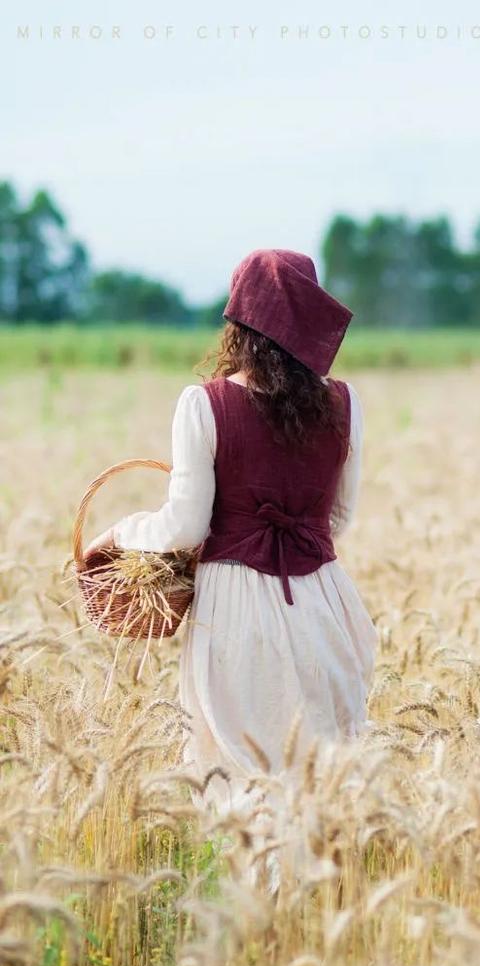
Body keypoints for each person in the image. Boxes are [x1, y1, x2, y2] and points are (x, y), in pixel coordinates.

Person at [85, 249, 379, 817]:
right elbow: (340, 517)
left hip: (236, 612)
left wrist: (121, 533)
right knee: (318, 787)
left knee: (245, 789)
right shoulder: (346, 403)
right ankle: (315, 903)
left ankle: (255, 902)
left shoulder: (204, 405)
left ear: (240, 324)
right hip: (326, 604)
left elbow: (186, 525)